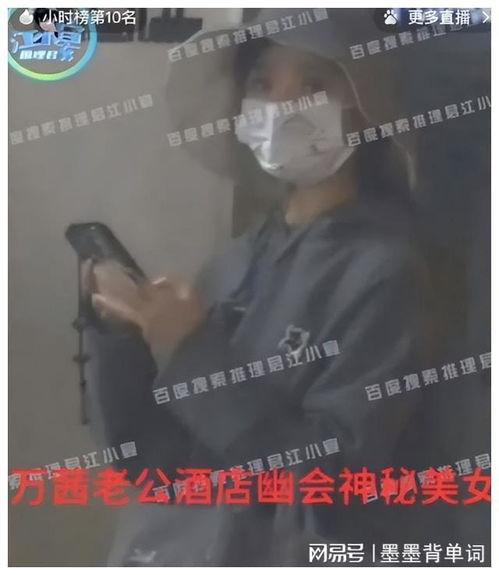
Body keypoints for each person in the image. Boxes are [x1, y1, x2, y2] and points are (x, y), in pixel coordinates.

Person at [82, 9, 437, 566]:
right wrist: (122, 339)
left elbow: (331, 481)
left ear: (365, 107)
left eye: (314, 85)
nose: (281, 107)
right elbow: (156, 464)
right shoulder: (236, 261)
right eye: (262, 84)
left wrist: (191, 355)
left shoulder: (384, 275)